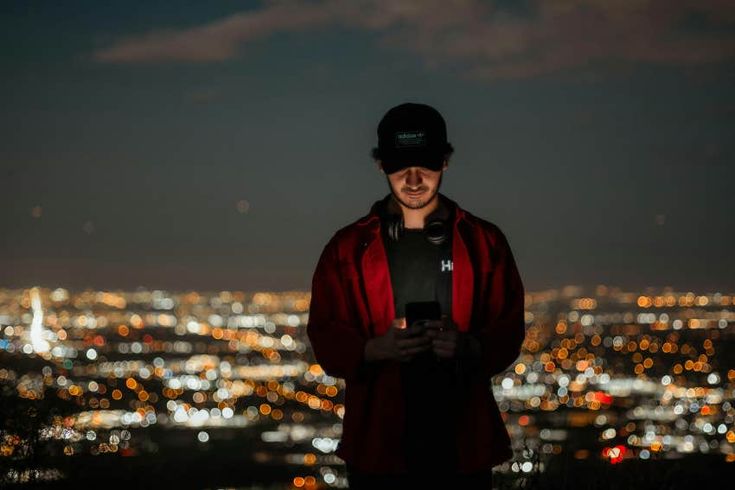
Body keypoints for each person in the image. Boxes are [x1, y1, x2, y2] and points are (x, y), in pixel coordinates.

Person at [306, 102, 526, 489]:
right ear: (380, 165)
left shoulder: (485, 243)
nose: (412, 180)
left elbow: (508, 330)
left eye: (425, 165)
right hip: (381, 444)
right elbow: (325, 335)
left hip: (460, 443)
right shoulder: (347, 249)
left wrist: (467, 347)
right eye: (399, 166)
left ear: (445, 162)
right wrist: (376, 350)